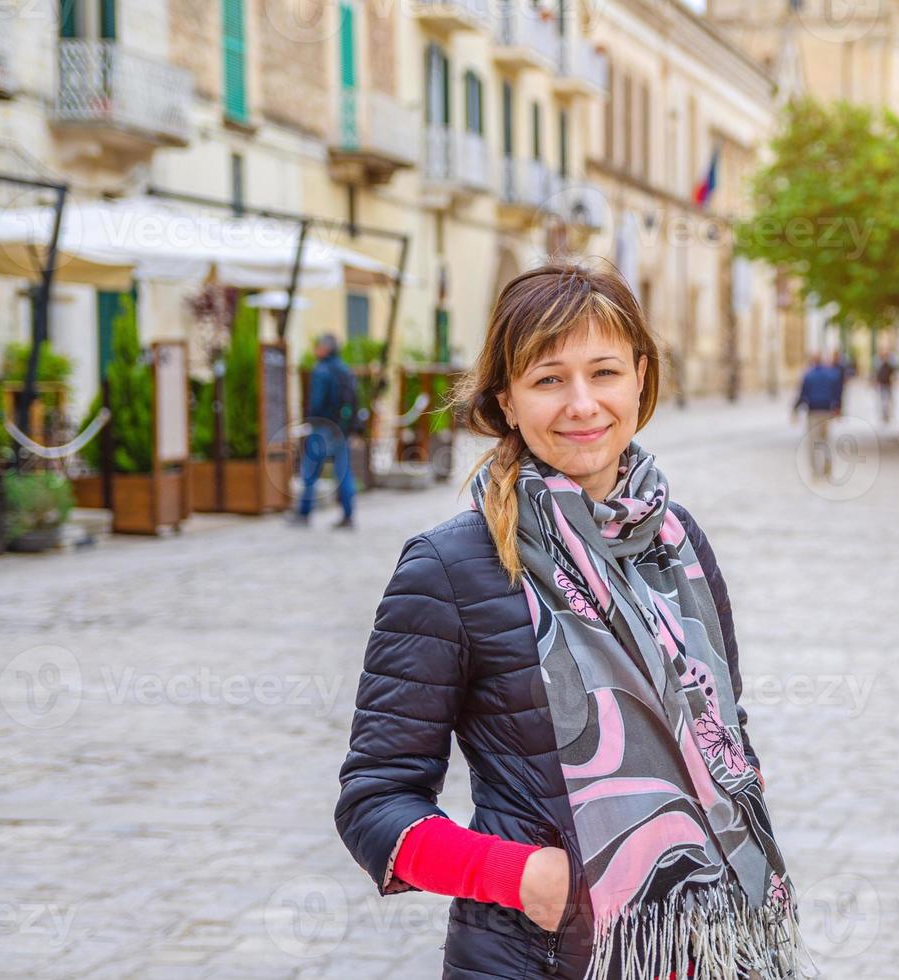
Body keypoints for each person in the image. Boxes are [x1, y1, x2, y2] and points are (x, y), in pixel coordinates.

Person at [334, 262, 811, 980]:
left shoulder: (678, 544)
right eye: (549, 379)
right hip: (542, 959)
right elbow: (375, 800)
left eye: (605, 372)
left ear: (641, 379)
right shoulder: (450, 567)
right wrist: (521, 876)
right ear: (508, 398)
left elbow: (725, 721)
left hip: (714, 953)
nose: (583, 404)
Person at [289, 333, 357, 529]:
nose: (315, 349)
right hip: (341, 429)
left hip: (322, 428)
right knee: (343, 472)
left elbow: (316, 403)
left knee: (309, 471)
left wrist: (310, 419)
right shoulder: (345, 369)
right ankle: (348, 514)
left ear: (325, 348)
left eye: (318, 346)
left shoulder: (321, 371)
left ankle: (303, 513)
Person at [791, 350, 844, 480]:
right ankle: (827, 465)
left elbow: (802, 394)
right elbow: (838, 393)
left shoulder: (808, 375)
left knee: (813, 443)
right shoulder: (832, 375)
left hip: (813, 412)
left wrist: (795, 410)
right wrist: (838, 408)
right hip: (827, 411)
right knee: (826, 440)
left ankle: (815, 471)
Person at [874, 348, 899, 426]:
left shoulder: (889, 365)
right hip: (883, 385)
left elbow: (894, 373)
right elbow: (878, 375)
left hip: (888, 384)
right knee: (884, 400)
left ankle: (887, 414)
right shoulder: (881, 365)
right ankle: (885, 414)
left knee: (889, 400)